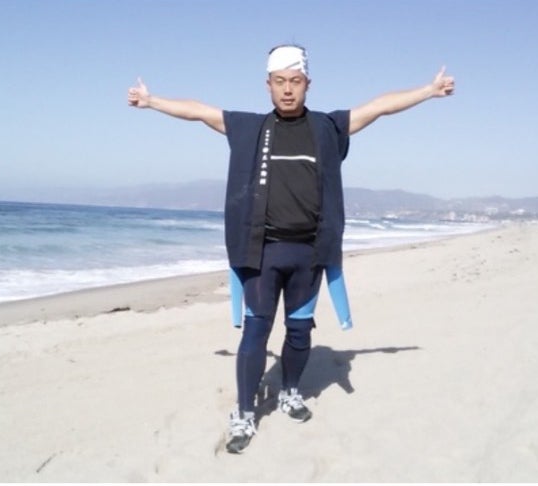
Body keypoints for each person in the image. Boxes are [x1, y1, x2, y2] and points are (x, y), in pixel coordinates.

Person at [127, 44, 455, 454]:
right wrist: (152, 101)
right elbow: (200, 112)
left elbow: (378, 107)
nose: (287, 89)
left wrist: (428, 91)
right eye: (280, 81)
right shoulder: (249, 128)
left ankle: (290, 391)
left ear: (307, 84)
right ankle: (245, 412)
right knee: (256, 331)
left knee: (300, 331)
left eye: (295, 81)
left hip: (309, 253)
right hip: (261, 253)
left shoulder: (328, 128)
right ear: (268, 85)